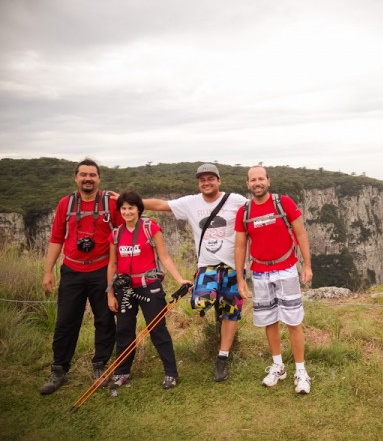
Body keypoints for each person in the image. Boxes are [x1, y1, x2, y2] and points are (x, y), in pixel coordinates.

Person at [143, 163, 247, 382]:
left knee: (231, 312)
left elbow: (255, 210)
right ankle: (216, 316)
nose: (206, 183)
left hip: (231, 266)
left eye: (211, 178)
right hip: (207, 266)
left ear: (219, 180)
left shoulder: (235, 200)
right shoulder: (191, 202)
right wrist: (129, 201)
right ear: (198, 183)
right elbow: (161, 205)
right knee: (200, 301)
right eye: (202, 179)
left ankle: (222, 356)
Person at [40, 158, 123, 395]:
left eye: (92, 175)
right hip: (73, 270)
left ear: (99, 178)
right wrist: (48, 271)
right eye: (83, 174)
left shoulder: (111, 203)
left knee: (105, 320)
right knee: (66, 321)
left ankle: (100, 366)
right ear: (76, 177)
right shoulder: (66, 204)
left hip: (101, 270)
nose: (88, 178)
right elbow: (56, 238)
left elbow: (122, 234)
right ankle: (59, 370)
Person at [234, 166, 313, 394]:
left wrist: (306, 265)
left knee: (293, 320)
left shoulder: (283, 203)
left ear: (268, 181)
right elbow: (240, 246)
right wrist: (241, 279)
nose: (257, 183)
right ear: (248, 184)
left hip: (286, 268)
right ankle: (278, 366)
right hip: (259, 272)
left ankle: (300, 370)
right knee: (269, 319)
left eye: (261, 178)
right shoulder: (244, 212)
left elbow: (301, 234)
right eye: (253, 180)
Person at [106, 191, 191, 390]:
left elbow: (164, 257)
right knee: (124, 330)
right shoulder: (116, 234)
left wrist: (180, 279)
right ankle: (122, 372)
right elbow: (112, 265)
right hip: (125, 289)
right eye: (124, 208)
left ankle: (170, 373)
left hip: (149, 286)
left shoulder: (150, 227)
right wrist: (110, 293)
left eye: (131, 208)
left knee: (157, 329)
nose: (127, 212)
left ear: (139, 209)